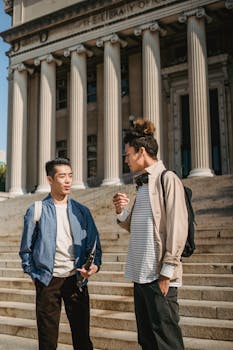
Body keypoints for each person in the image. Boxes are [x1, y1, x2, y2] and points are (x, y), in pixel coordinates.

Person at [112, 119, 188, 350]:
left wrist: (167, 271)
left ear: (141, 151)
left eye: (127, 154)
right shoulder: (142, 185)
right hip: (140, 275)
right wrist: (121, 211)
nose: (125, 159)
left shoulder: (168, 179)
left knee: (167, 342)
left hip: (159, 276)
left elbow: (178, 227)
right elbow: (137, 226)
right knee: (147, 341)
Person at [19, 158, 102, 350]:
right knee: (47, 341)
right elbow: (26, 249)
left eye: (70, 176)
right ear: (50, 179)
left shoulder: (82, 211)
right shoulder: (36, 210)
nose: (68, 181)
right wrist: (35, 275)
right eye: (62, 176)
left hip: (77, 279)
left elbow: (94, 245)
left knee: (82, 339)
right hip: (48, 281)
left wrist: (94, 266)